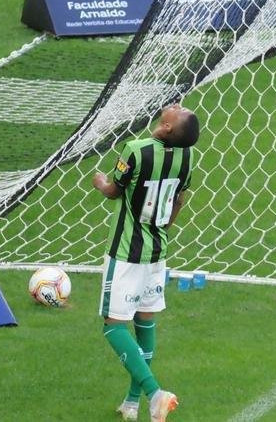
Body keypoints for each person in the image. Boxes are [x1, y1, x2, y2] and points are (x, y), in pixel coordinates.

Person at [93, 103, 199, 421]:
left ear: (166, 127)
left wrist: (99, 181)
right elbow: (178, 199)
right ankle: (131, 403)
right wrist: (163, 227)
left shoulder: (136, 150)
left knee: (113, 327)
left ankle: (155, 394)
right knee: (145, 322)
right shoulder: (187, 157)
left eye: (177, 111)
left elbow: (114, 191)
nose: (176, 105)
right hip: (157, 251)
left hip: (126, 253)